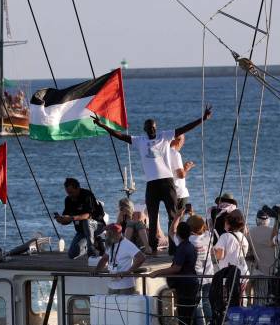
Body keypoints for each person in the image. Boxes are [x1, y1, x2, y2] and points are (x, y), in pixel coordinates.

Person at [94, 107, 212, 254]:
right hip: (152, 184)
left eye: (153, 127)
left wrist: (203, 118)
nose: (151, 129)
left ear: (156, 127)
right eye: (149, 128)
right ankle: (153, 249)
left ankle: (174, 249)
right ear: (144, 129)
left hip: (167, 182)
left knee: (173, 215)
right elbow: (120, 136)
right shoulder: (140, 141)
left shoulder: (165, 136)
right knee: (153, 215)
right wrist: (103, 126)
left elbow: (184, 128)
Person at [153, 222, 201, 325]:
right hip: (192, 282)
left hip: (185, 284)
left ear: (179, 234)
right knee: (190, 312)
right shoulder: (190, 246)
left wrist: (157, 272)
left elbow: (176, 268)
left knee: (184, 312)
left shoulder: (183, 248)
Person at [210, 210, 250, 325]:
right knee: (240, 299)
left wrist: (212, 250)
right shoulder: (242, 237)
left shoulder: (224, 236)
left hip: (230, 274)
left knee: (227, 302)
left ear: (228, 223)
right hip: (243, 272)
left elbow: (220, 256)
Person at [53, 178, 102, 259]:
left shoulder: (87, 195)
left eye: (71, 192)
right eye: (68, 193)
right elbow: (67, 219)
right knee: (72, 254)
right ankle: (94, 245)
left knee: (86, 221)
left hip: (97, 225)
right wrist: (62, 220)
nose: (70, 195)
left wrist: (72, 218)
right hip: (82, 231)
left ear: (78, 188)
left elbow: (89, 215)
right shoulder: (68, 200)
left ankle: (91, 251)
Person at [95, 223, 147, 295]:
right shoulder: (111, 244)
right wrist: (97, 271)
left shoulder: (127, 244)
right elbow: (104, 259)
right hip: (112, 285)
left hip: (125, 286)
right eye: (106, 232)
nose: (106, 235)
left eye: (109, 233)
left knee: (125, 305)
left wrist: (128, 272)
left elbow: (141, 258)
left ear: (117, 233)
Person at [189, 214, 216, 325]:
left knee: (197, 306)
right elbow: (207, 228)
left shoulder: (190, 241)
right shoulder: (208, 237)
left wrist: (177, 218)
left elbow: (172, 232)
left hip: (196, 278)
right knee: (207, 303)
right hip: (208, 276)